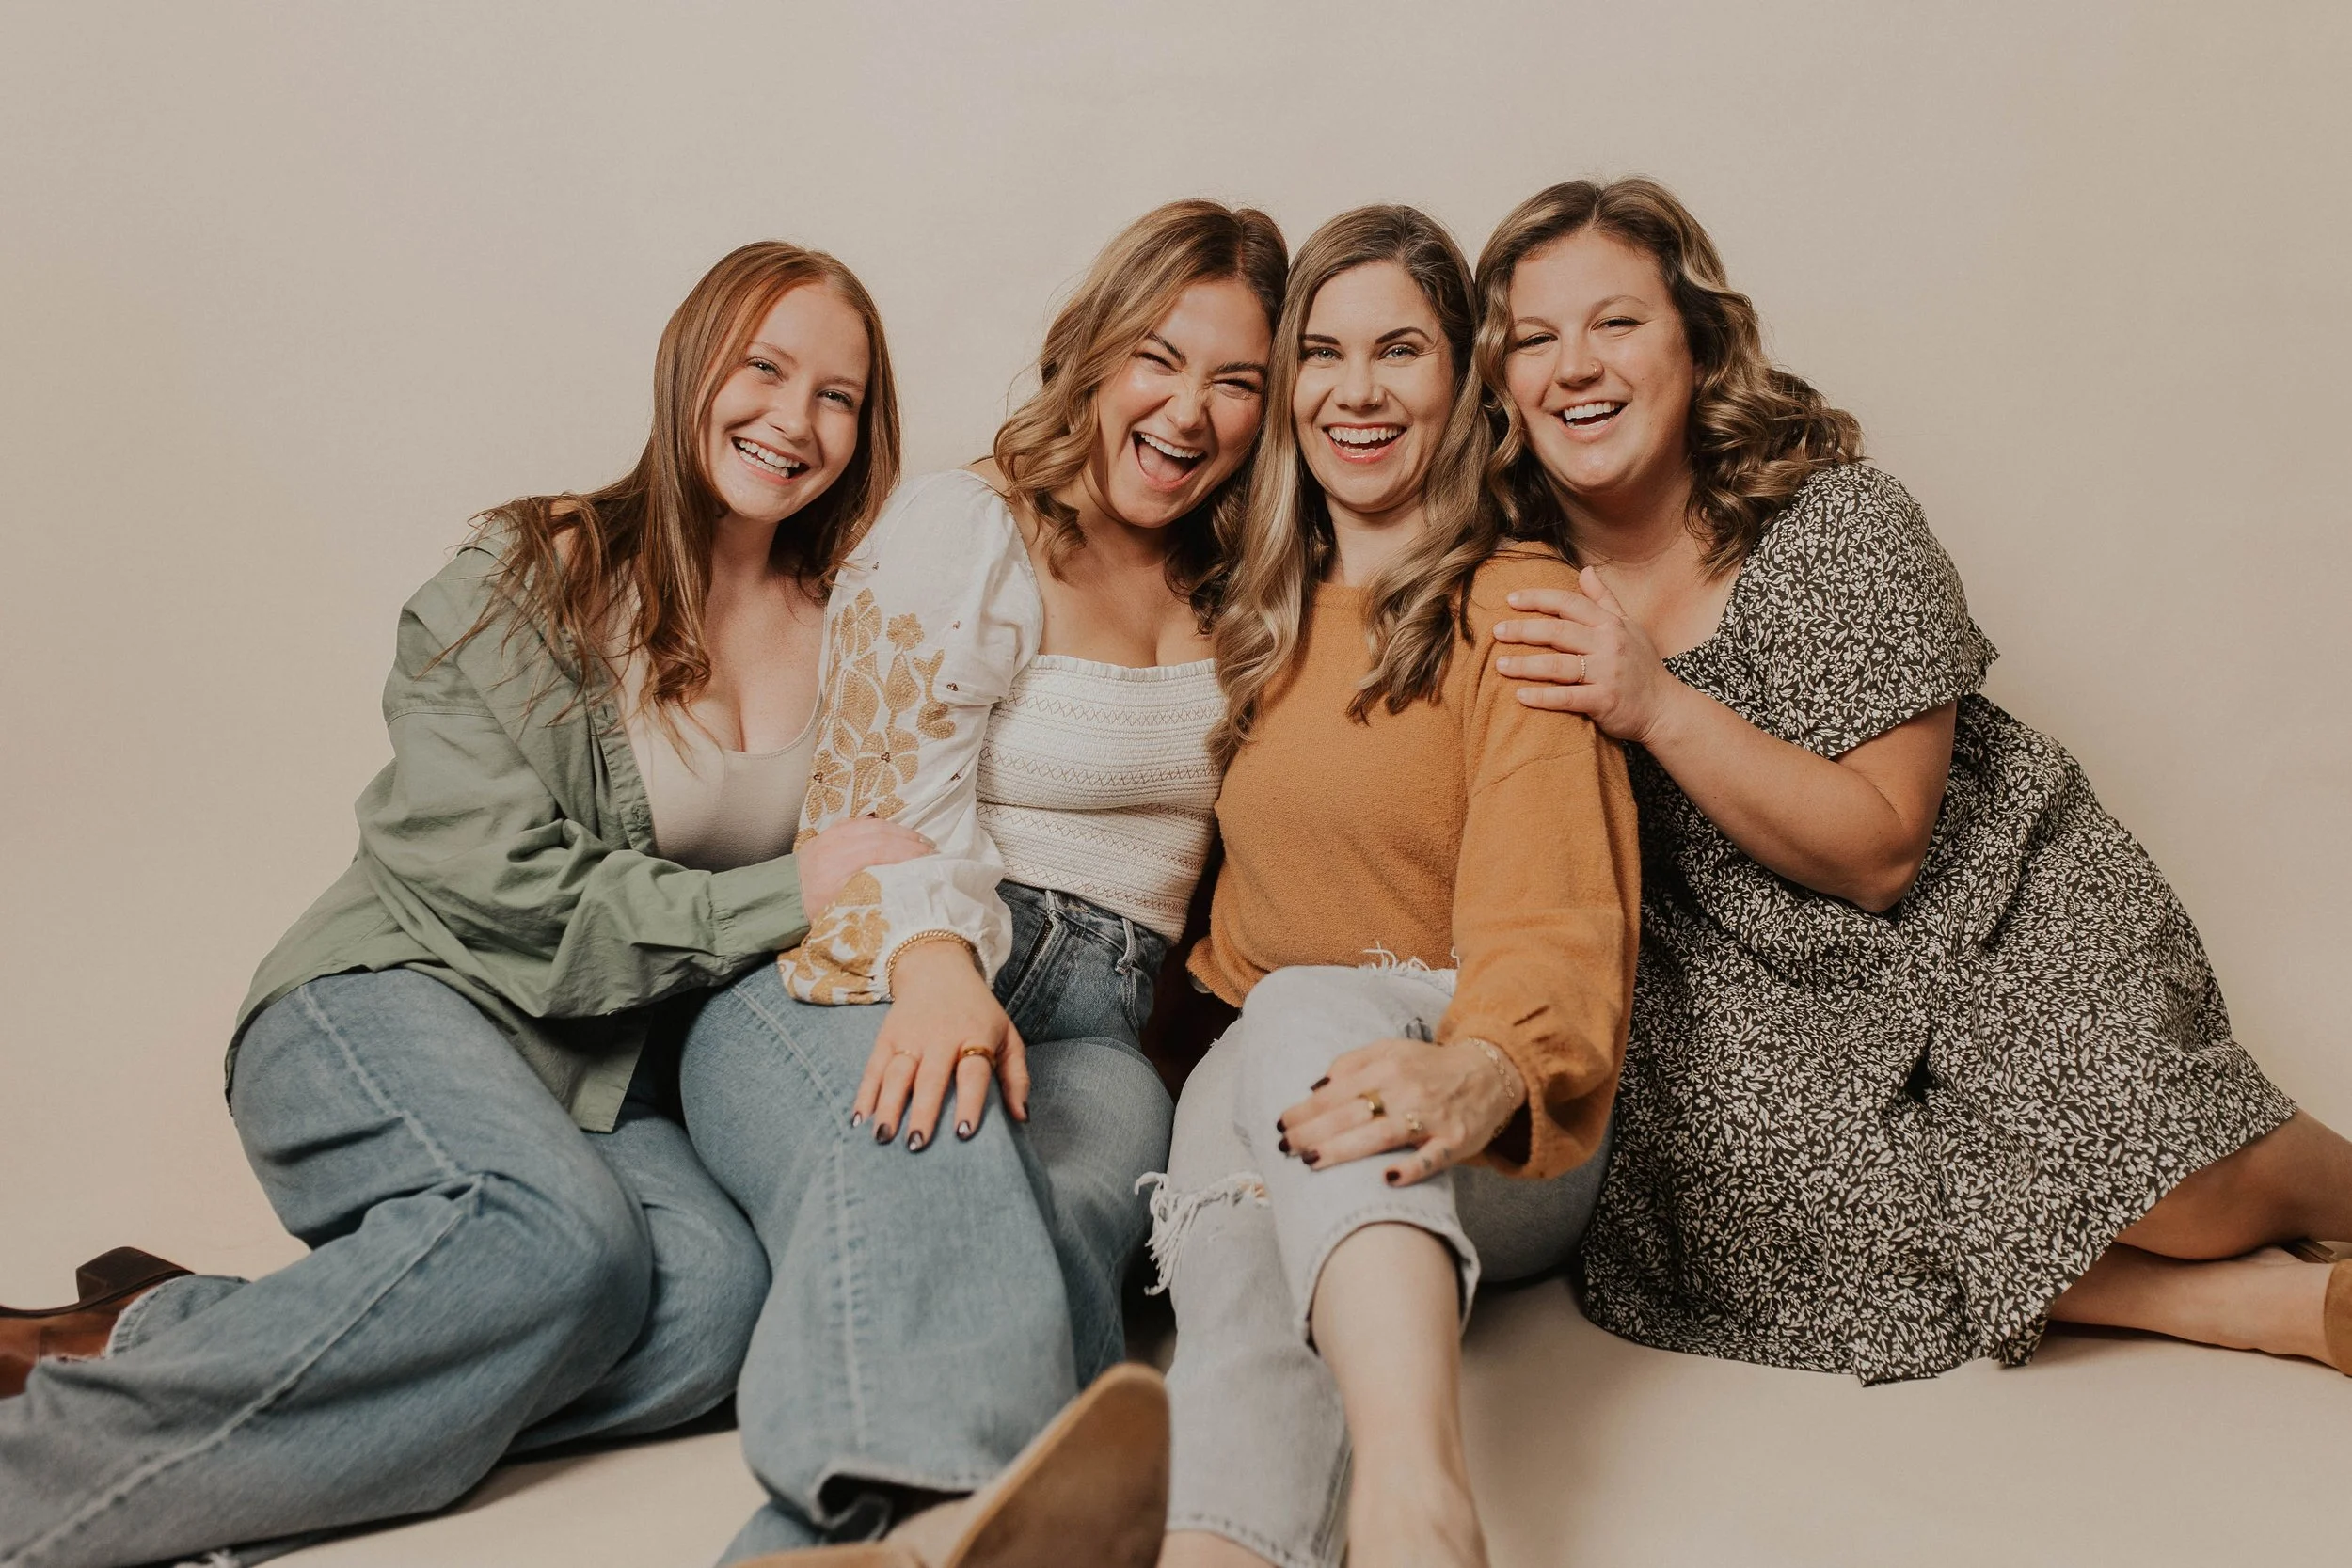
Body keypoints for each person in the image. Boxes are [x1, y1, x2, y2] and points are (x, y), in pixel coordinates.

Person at [0, 241, 928, 1568]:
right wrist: (793, 888)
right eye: (764, 367)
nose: (796, 418)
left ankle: (170, 1334)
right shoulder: (535, 569)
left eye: (838, 395)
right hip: (397, 992)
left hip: (599, 1067)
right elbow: (499, 884)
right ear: (691, 368)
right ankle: (33, 1487)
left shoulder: (853, 622)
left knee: (715, 1309)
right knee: (557, 1239)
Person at [1481, 176, 2352, 1384]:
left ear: (1697, 344)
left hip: (1980, 905)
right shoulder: (1507, 581)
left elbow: (1884, 849)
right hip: (1734, 977)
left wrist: (1656, 703)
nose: (1575, 365)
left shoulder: (1837, 523)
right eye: (1533, 338)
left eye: (1615, 322)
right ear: (1500, 382)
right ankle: (2275, 1308)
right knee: (1780, 1185)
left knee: (2130, 1141)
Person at [672, 200, 1287, 1566]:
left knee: (1066, 1217)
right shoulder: (971, 521)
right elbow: (869, 800)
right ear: (1094, 351)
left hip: (1099, 1024)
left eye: (1235, 380)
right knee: (944, 1146)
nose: (1189, 409)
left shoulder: (1242, 582)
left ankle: (874, 1546)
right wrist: (938, 973)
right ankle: (948, 1514)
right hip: (857, 971)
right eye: (1158, 357)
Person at [1146, 206, 1640, 1568]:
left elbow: (1559, 911)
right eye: (1322, 352)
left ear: (1463, 380)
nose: (1355, 391)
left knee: (1301, 1012)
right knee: (1236, 1262)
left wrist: (1489, 1066)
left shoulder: (1517, 601)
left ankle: (1419, 1505)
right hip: (1265, 1079)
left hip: (1491, 1108)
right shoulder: (1252, 610)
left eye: (1400, 351)